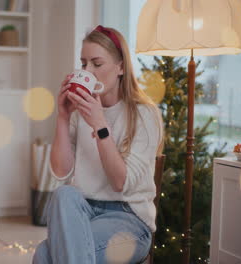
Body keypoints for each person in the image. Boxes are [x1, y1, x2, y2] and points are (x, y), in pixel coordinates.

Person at [32, 25, 164, 264]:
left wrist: (100, 124)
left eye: (97, 63)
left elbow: (119, 182)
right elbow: (61, 172)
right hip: (83, 211)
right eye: (84, 64)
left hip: (128, 218)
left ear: (121, 67)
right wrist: (62, 116)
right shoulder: (78, 113)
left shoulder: (144, 115)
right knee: (64, 194)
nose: (88, 71)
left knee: (44, 255)